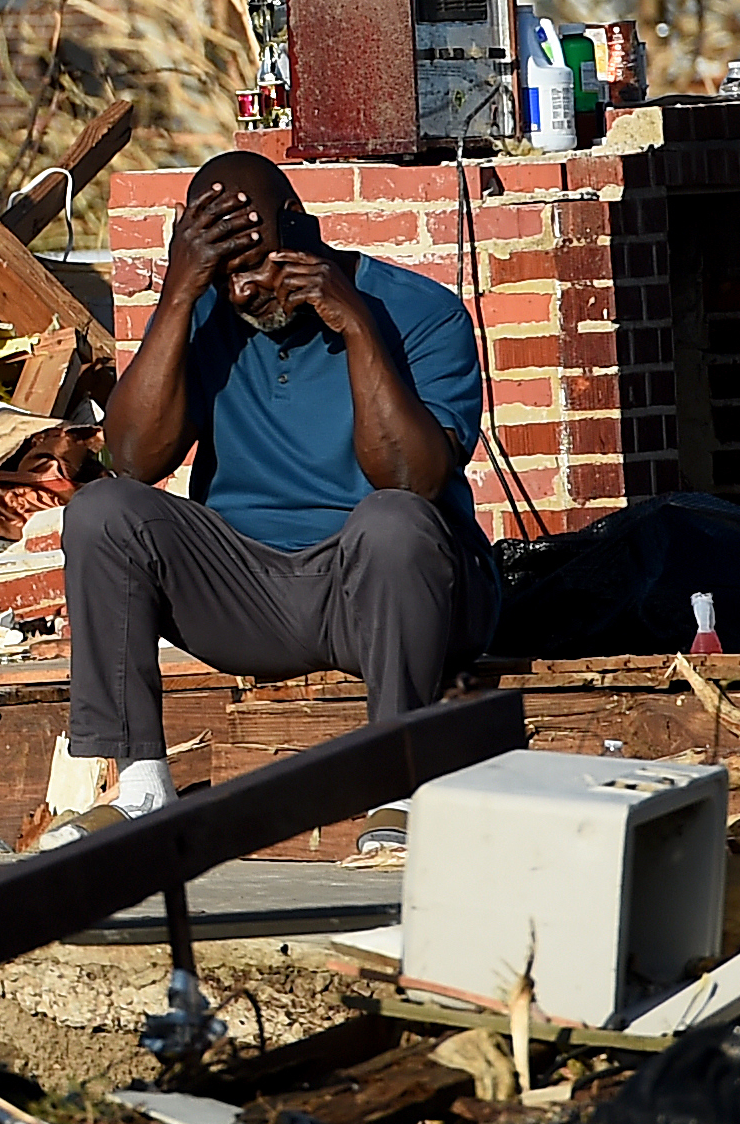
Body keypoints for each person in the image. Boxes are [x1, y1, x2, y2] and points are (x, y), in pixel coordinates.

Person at [50, 149, 494, 840]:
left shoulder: (417, 312)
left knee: (392, 521)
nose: (242, 292)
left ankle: (398, 785)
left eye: (256, 262)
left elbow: (413, 481)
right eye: (223, 272)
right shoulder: (203, 311)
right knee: (100, 512)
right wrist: (177, 292)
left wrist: (355, 325)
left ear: (300, 225)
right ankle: (138, 784)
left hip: (391, 592)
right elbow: (132, 459)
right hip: (250, 592)